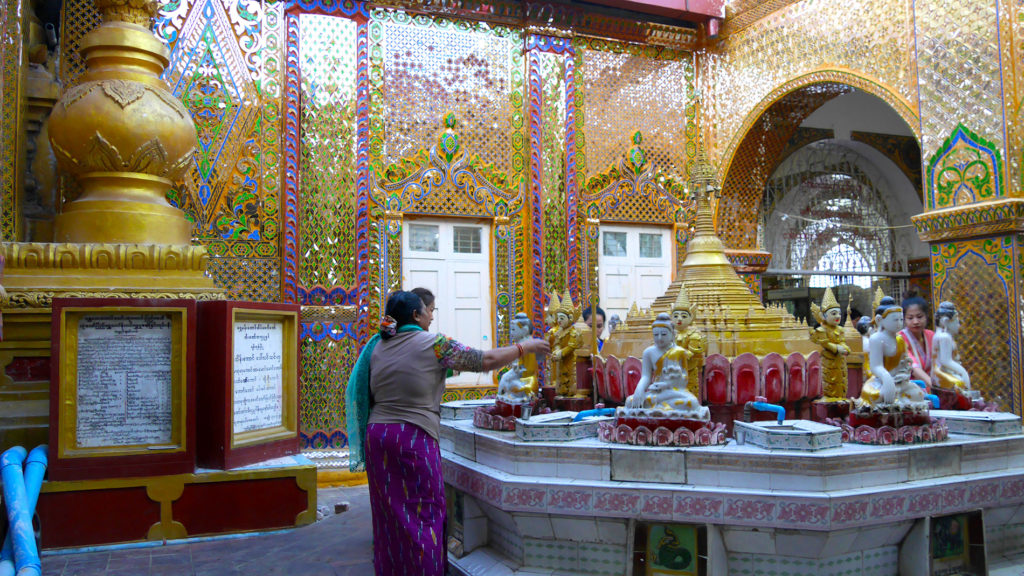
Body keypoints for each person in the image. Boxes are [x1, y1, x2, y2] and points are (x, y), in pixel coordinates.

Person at [346, 291, 550, 576]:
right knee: (424, 516)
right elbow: (485, 360)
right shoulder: (435, 344)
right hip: (412, 437)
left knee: (389, 519)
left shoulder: (377, 346)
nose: (432, 316)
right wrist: (523, 347)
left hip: (377, 437)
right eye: (429, 311)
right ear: (416, 316)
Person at [900, 295, 934, 390]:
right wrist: (935, 386)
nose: (915, 321)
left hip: (930, 386)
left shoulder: (931, 335)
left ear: (926, 316)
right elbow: (913, 367)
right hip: (909, 389)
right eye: (910, 318)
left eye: (919, 317)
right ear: (904, 319)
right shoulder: (900, 338)